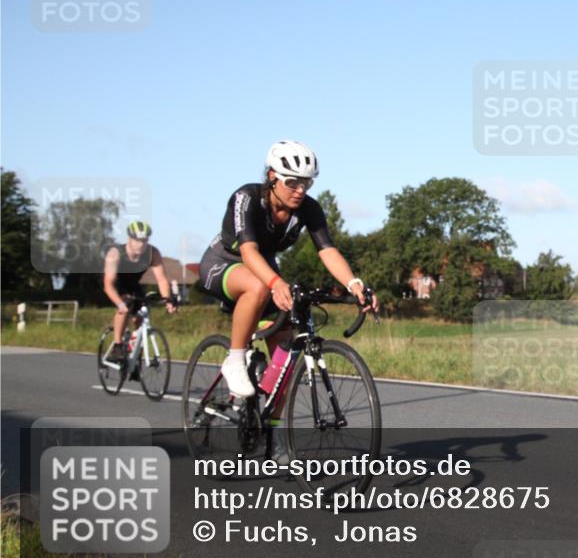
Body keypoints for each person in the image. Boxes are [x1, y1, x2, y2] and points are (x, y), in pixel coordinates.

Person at [198, 140, 378, 398]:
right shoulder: (246, 197)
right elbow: (248, 251)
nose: (300, 190)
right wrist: (276, 284)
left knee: (284, 365)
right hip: (223, 263)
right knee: (258, 286)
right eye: (292, 182)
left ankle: (272, 433)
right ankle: (235, 360)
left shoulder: (308, 209)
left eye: (307, 183)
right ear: (272, 176)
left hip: (265, 267)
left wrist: (354, 284)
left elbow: (327, 250)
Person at [103, 220, 178, 369]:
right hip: (115, 282)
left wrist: (168, 300)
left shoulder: (152, 253)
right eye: (137, 240)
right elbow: (108, 285)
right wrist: (120, 304)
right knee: (125, 305)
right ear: (129, 239)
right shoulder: (115, 253)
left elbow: (162, 280)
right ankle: (117, 346)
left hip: (133, 284)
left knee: (142, 315)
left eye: (144, 240)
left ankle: (135, 358)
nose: (141, 244)